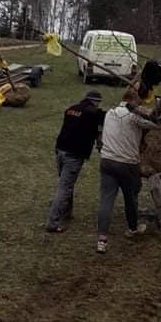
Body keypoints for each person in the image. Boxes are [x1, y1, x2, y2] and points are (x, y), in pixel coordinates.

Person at [96, 88, 161, 253]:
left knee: (106, 200)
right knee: (131, 197)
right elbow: (157, 124)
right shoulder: (134, 117)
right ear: (134, 102)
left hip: (107, 161)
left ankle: (102, 239)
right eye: (139, 103)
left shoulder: (109, 113)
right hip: (127, 164)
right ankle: (133, 229)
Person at [44, 90, 105, 235]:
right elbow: (106, 118)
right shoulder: (93, 112)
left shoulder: (71, 109)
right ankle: (52, 223)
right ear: (95, 101)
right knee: (64, 187)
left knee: (66, 184)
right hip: (74, 155)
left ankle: (67, 212)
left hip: (60, 150)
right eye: (98, 103)